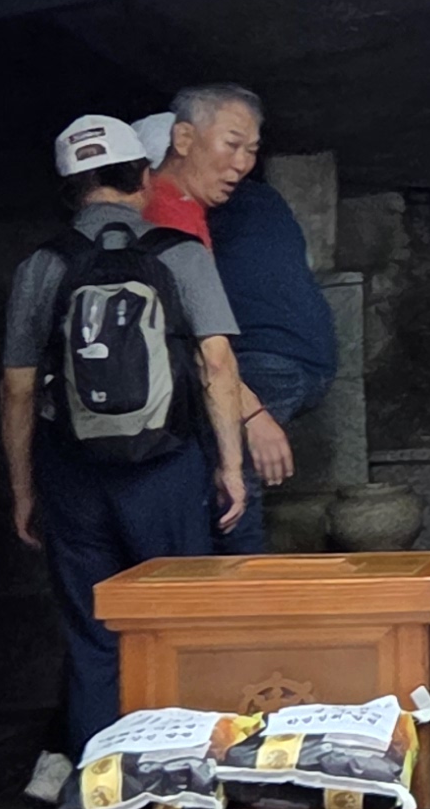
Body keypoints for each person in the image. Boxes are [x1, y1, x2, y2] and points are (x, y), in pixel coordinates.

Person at [2, 114, 250, 786]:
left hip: (73, 472)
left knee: (93, 638)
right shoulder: (179, 254)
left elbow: (17, 388)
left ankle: (102, 794)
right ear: (143, 176)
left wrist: (24, 490)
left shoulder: (42, 265)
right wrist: (230, 466)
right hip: (166, 467)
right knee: (180, 627)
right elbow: (217, 363)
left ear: (71, 191)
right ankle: (186, 784)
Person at [142, 84, 335, 553]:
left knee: (226, 480)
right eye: (232, 144)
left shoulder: (194, 211)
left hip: (260, 361)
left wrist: (249, 412)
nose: (244, 162)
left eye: (251, 150)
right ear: (182, 139)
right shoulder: (170, 213)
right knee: (220, 479)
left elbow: (199, 338)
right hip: (304, 359)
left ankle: (237, 585)